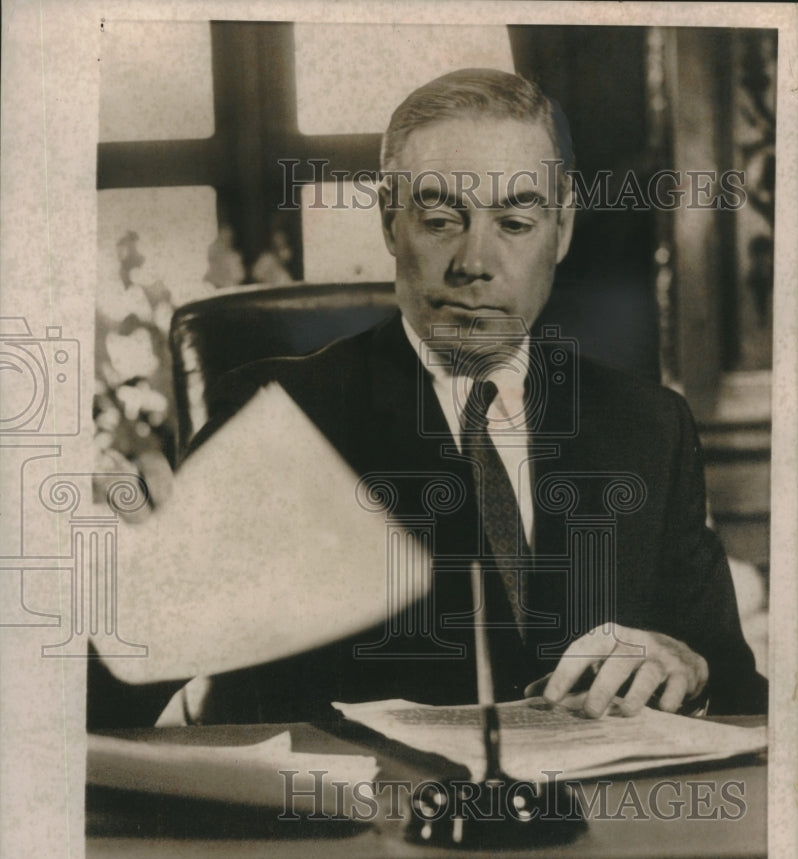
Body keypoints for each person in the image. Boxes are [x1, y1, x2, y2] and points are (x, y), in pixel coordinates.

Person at [93, 68, 766, 726]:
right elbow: (118, 698)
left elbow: (740, 695)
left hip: (600, 831)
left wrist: (690, 666)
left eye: (514, 223)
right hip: (365, 826)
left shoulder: (649, 426)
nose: (475, 261)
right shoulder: (278, 415)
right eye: (442, 219)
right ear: (391, 224)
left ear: (560, 231)